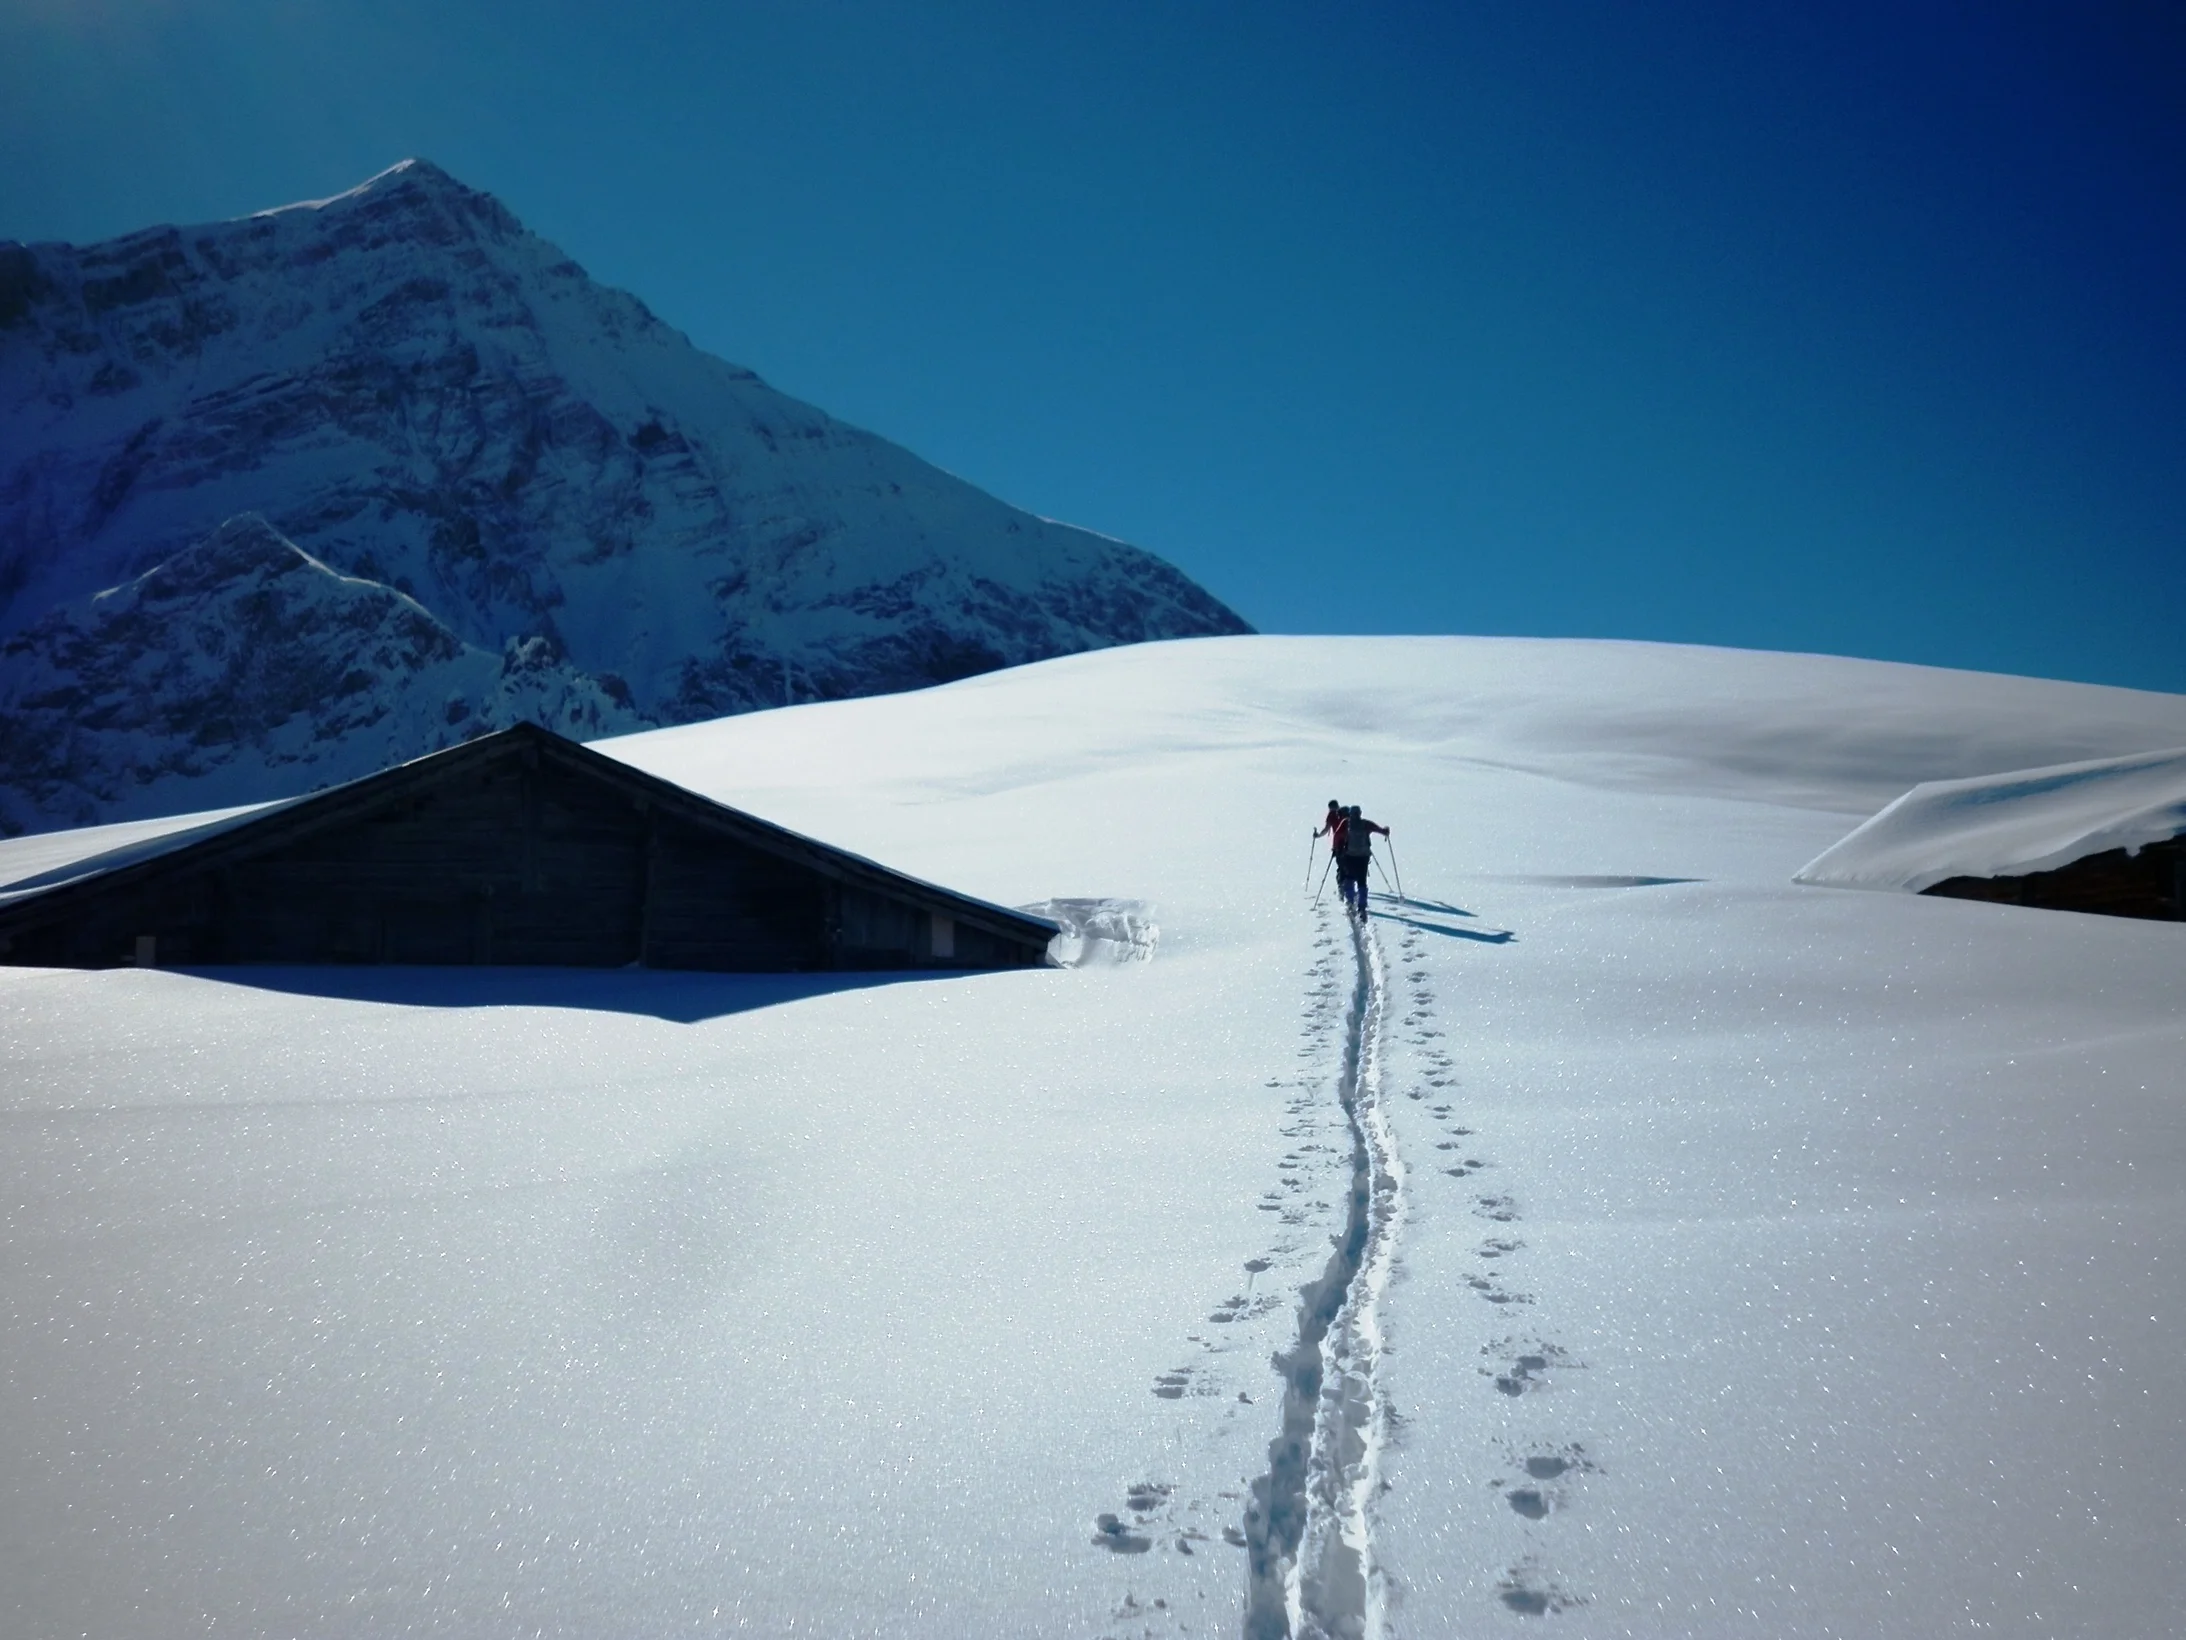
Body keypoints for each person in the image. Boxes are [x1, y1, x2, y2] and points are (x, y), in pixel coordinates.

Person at [1336, 804, 1388, 916]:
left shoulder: (1346, 823)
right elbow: (1381, 831)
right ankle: (1362, 906)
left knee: (1349, 879)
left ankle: (1350, 902)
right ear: (1360, 813)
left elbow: (1337, 834)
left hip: (1349, 855)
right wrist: (1386, 831)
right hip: (1363, 857)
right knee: (1362, 881)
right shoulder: (1366, 824)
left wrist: (1338, 848)